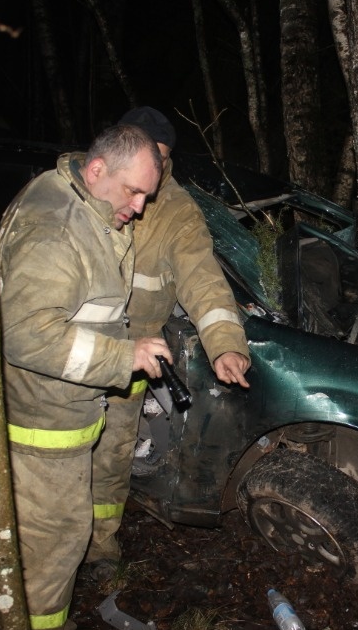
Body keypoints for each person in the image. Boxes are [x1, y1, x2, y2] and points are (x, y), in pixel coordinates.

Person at [0, 124, 168, 630]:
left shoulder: (74, 198)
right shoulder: (57, 229)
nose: (140, 208)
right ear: (97, 170)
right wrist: (123, 356)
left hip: (14, 413)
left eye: (147, 195)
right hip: (42, 427)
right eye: (133, 192)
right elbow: (26, 335)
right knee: (55, 548)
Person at [85, 106, 251, 577]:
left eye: (159, 158)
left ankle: (100, 547)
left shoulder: (175, 209)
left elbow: (204, 279)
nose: (149, 170)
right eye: (141, 155)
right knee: (61, 457)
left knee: (114, 455)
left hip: (132, 358)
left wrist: (225, 343)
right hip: (72, 354)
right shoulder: (82, 189)